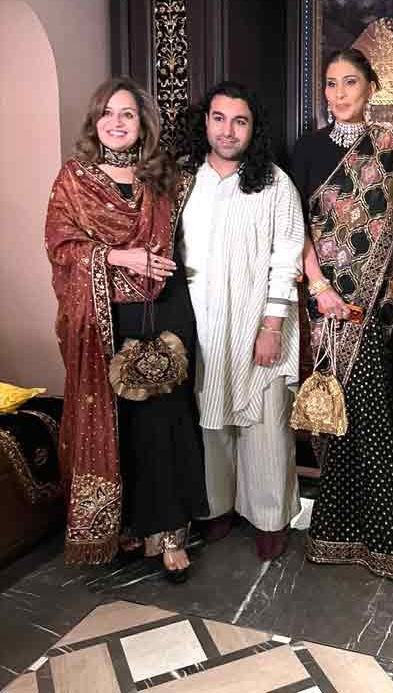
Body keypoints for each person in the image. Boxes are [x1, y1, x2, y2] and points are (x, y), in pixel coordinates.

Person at [45, 77, 207, 581]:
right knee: (119, 425)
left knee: (165, 422)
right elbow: (60, 247)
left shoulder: (166, 180)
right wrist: (120, 256)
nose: (116, 122)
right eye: (108, 113)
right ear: (95, 121)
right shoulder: (74, 179)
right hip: (104, 316)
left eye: (127, 114)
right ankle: (123, 527)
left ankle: (170, 534)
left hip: (164, 309)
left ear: (143, 124)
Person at [291, 48, 393, 579]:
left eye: (349, 82)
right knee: (336, 411)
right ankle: (340, 534)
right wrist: (320, 287)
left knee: (371, 413)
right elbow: (294, 227)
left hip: (374, 304)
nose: (338, 93)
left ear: (372, 88)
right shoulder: (307, 150)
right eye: (330, 83)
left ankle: (378, 537)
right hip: (324, 302)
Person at [182, 82, 304, 561]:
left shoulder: (274, 183)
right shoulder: (184, 179)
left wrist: (271, 326)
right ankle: (215, 507)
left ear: (254, 129)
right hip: (201, 324)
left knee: (265, 423)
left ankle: (270, 518)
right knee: (209, 420)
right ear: (205, 122)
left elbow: (287, 257)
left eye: (240, 121)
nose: (228, 130)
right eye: (219, 118)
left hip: (259, 321)